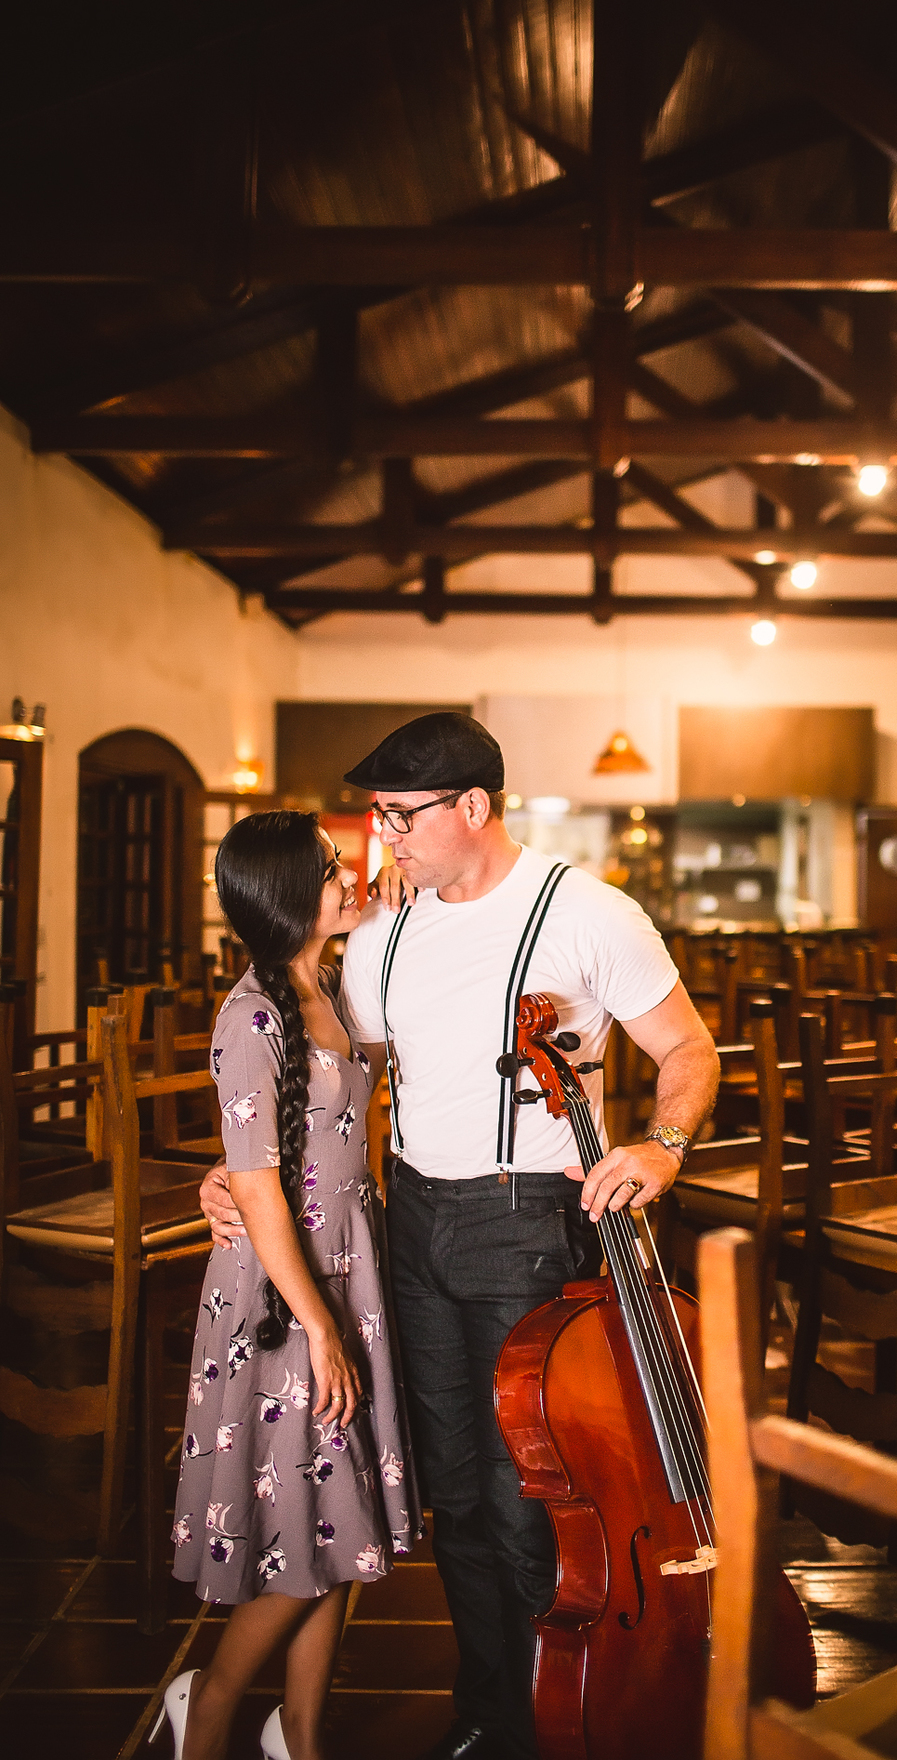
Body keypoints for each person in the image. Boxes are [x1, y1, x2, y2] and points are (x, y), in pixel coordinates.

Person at [201, 714, 720, 1760]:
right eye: (377, 816)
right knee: (457, 1501)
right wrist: (233, 1169)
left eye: (400, 815)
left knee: (528, 1500)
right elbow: (316, 1075)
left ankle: (555, 1718)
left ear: (472, 809)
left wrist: (662, 1146)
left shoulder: (588, 915)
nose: (382, 837)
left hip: (525, 1219)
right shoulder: (384, 933)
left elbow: (689, 1050)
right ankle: (487, 1713)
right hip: (411, 1222)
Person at [160, 811, 420, 1760]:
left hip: (348, 1279)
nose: (347, 873)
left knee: (341, 1526)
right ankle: (211, 1708)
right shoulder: (251, 1015)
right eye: (325, 869)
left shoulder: (338, 993)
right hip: (282, 1301)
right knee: (304, 1531)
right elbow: (261, 1181)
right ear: (281, 895)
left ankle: (300, 1733)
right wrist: (319, 1326)